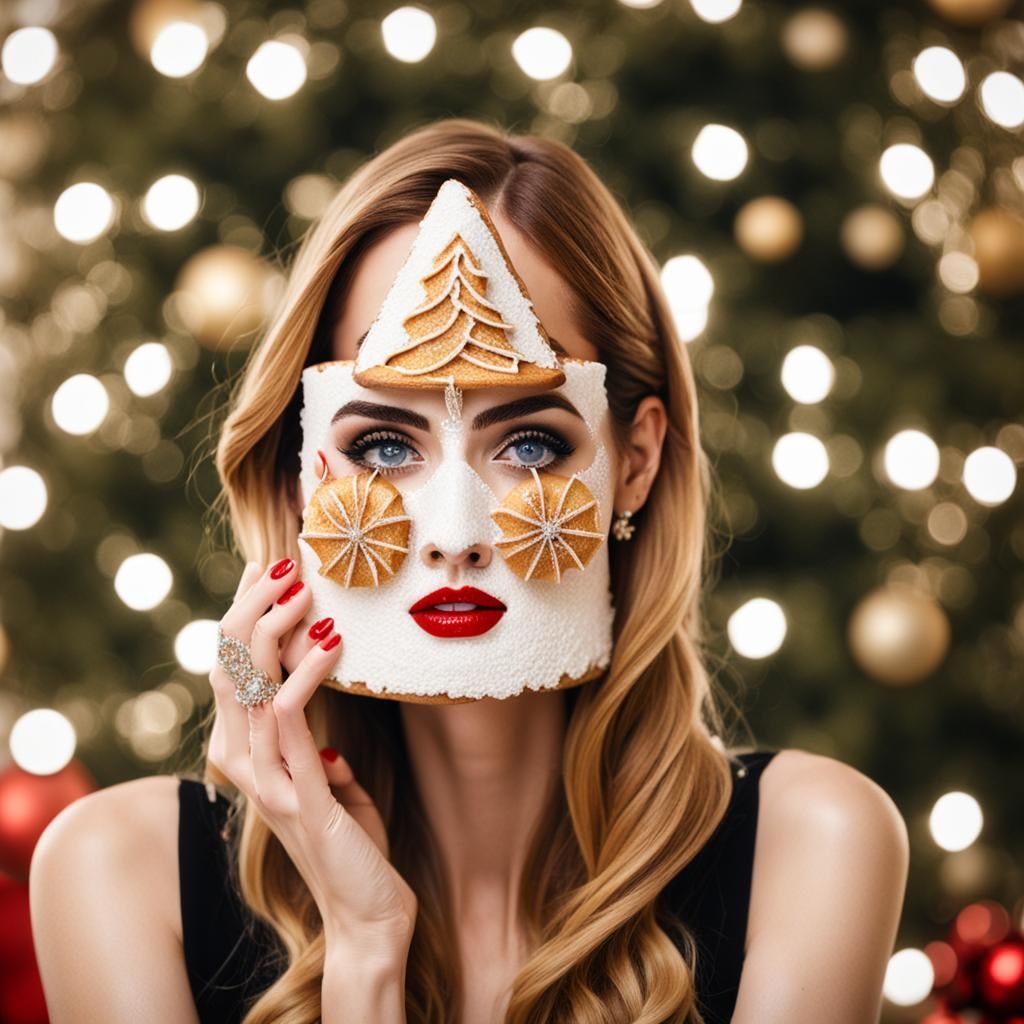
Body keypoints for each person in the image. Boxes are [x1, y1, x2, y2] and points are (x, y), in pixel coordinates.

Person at [29, 117, 909, 1024]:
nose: (454, 536)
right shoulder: (118, 875)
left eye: (529, 442)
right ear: (300, 477)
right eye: (380, 444)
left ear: (634, 462)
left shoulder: (813, 846)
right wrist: (366, 945)